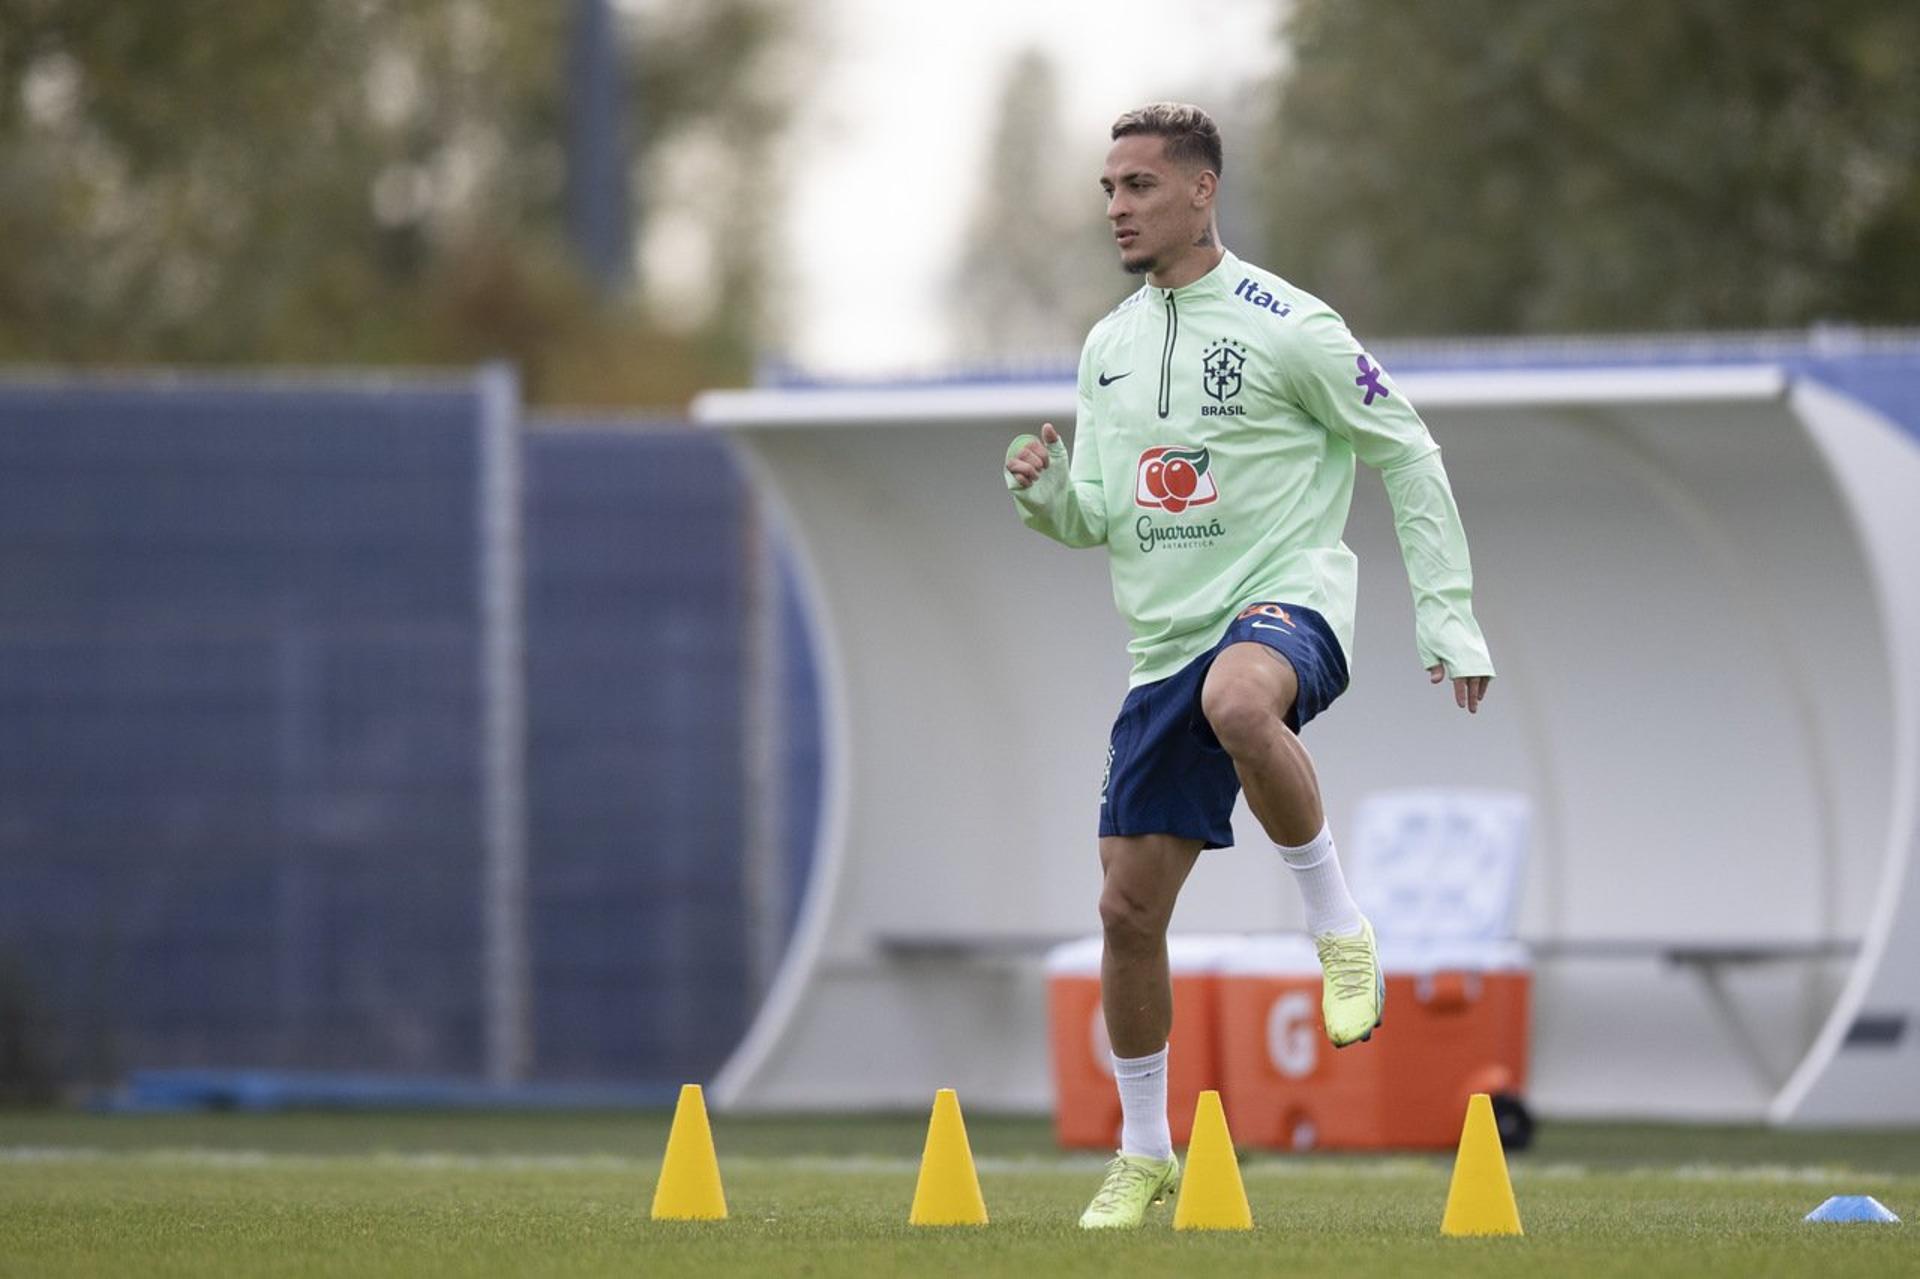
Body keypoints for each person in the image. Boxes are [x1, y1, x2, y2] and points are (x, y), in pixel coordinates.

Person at [1004, 102, 1494, 1229]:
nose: (1117, 207)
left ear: (1200, 191)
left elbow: (1406, 447)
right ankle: (1143, 1154)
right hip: (1162, 649)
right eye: (1109, 189)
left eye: (1137, 185)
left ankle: (1338, 927)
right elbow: (1099, 518)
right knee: (1127, 912)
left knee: (1240, 696)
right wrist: (1044, 495)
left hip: (1288, 605)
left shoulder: (1289, 322)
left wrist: (1450, 620)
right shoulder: (1107, 347)